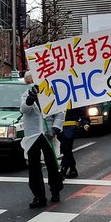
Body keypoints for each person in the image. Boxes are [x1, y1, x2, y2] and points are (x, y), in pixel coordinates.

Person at [21, 73, 63, 208]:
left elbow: (59, 113)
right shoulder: (25, 94)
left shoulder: (50, 94)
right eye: (28, 82)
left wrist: (55, 129)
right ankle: (39, 196)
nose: (30, 84)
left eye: (31, 81)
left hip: (48, 134)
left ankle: (55, 190)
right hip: (32, 135)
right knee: (33, 167)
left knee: (52, 165)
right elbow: (24, 110)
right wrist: (30, 98)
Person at [58, 106, 90, 178]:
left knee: (67, 148)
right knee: (65, 149)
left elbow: (81, 109)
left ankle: (63, 170)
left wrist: (85, 123)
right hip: (58, 127)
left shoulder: (72, 97)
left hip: (70, 127)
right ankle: (73, 169)